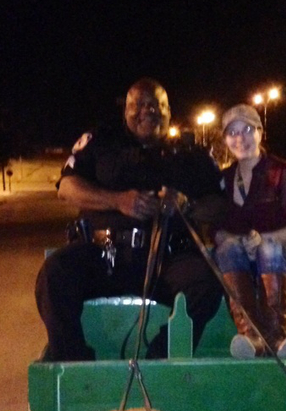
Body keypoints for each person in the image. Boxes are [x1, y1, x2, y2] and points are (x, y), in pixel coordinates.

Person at [35, 78, 225, 361]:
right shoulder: (99, 142)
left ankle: (158, 362)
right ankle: (75, 365)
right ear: (125, 110)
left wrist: (188, 206)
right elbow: (67, 188)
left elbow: (220, 204)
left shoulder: (192, 154)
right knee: (54, 274)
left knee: (207, 282)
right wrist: (117, 200)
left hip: (168, 260)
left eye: (155, 105)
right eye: (137, 105)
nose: (146, 111)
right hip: (104, 256)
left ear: (168, 111)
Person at [214, 104, 286, 359]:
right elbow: (216, 229)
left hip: (277, 260)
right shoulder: (223, 179)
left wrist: (264, 239)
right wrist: (228, 237)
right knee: (228, 247)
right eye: (232, 132)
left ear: (259, 132)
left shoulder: (281, 173)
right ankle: (250, 335)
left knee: (269, 248)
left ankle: (276, 334)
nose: (240, 138)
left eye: (246, 129)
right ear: (225, 139)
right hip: (238, 262)